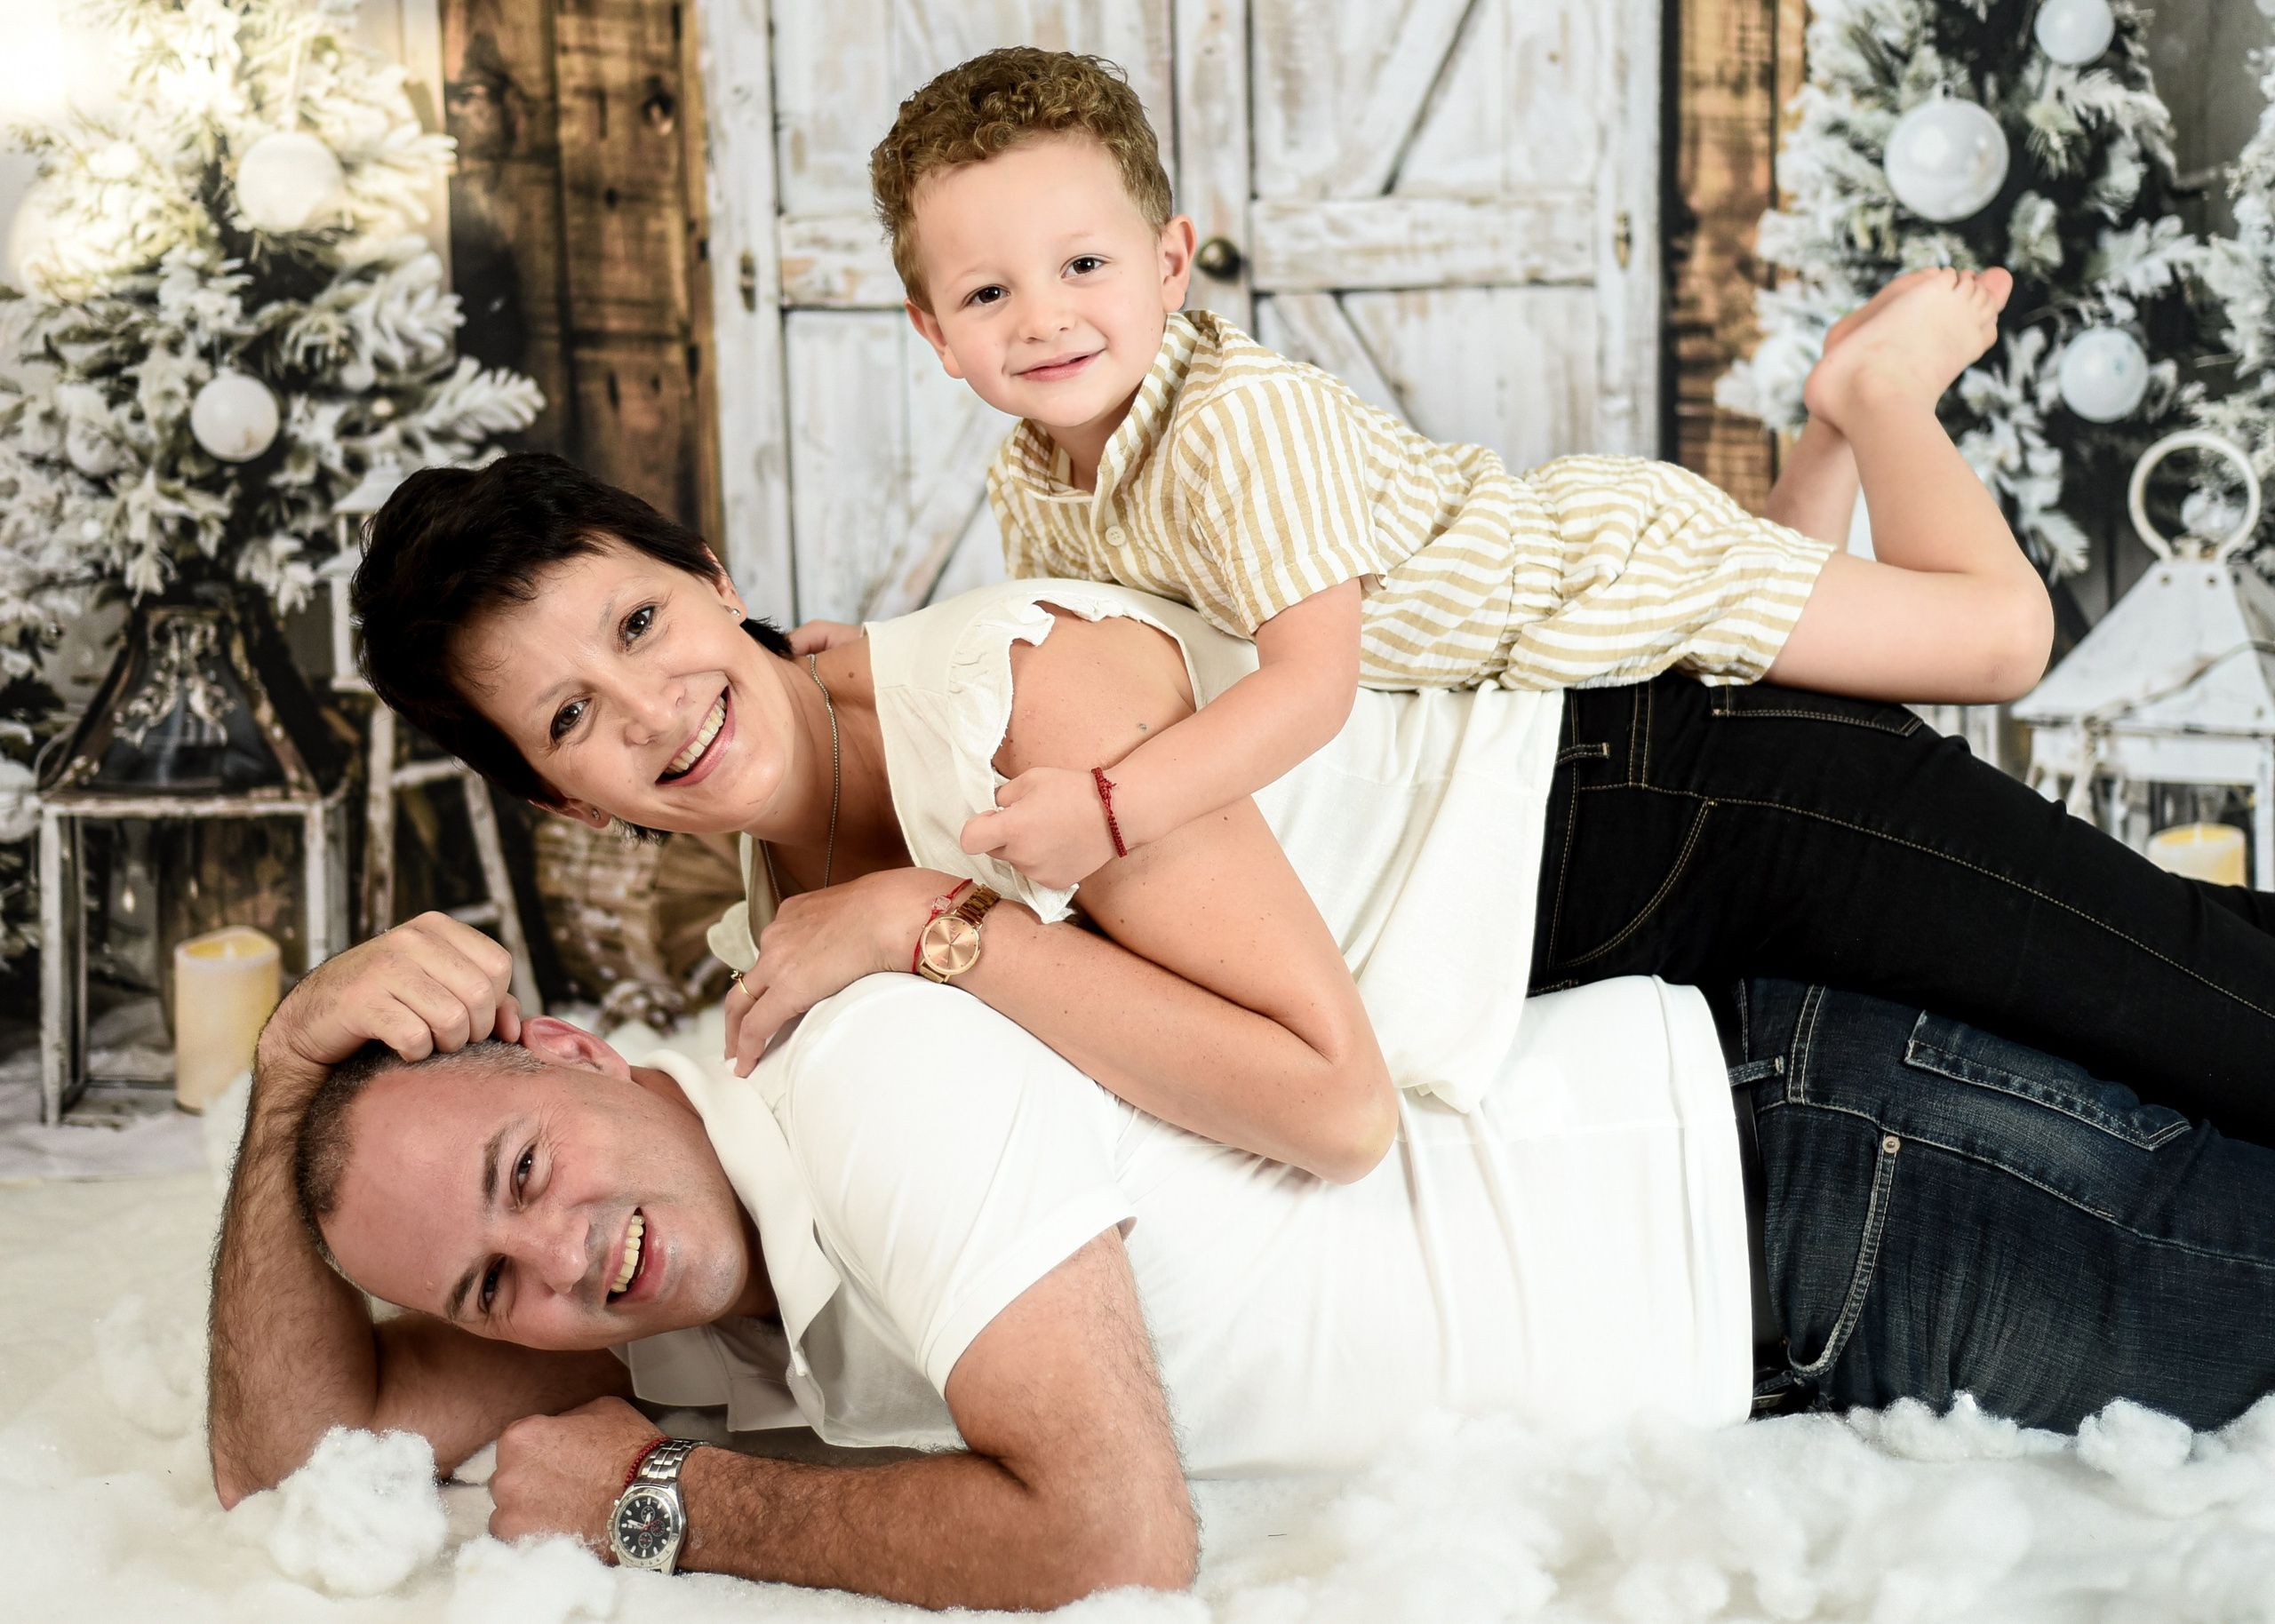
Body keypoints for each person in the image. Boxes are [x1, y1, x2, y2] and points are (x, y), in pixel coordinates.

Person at [207, 914, 2275, 1611]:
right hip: (1758, 1298)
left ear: (574, 1051)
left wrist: (663, 1500)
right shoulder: (686, 1286)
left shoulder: (860, 1078)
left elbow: (1112, 1540)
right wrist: (292, 1060)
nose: (562, 1261)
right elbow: (296, 1463)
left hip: (1802, 1188)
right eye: (489, 1285)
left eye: (523, 1169)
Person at [352, 458, 2275, 1163]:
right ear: (551, 790)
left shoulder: (1003, 700)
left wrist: (934, 930)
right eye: (572, 717)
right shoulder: (791, 870)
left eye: (638, 623)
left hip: (1677, 795)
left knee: (2212, 1012)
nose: (654, 710)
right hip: (1595, 938)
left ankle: (1863, 414)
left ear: (707, 574)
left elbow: (1332, 1107)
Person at [805, 46, 2051, 890]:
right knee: (1799, 660)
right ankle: (1829, 430)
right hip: (1541, 594)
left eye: (1084, 266)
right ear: (935, 333)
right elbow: (1074, 645)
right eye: (987, 293)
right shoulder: (1031, 476)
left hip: (1597, 575)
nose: (1043, 318)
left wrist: (1112, 811)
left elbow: (1312, 687)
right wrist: (879, 661)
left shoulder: (1237, 424)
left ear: (1170, 265)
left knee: (1998, 644)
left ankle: (1880, 394)